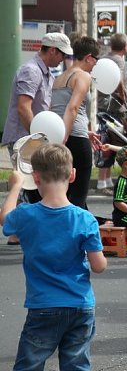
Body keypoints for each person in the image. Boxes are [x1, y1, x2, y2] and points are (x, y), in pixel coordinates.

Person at [1, 144, 107, 371]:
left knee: (28, 370)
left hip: (43, 307)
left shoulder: (26, 214)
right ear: (73, 175)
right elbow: (99, 266)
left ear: (35, 178)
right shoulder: (86, 219)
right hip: (80, 305)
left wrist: (16, 186)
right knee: (76, 370)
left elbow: (4, 218)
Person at [2, 32, 71, 245]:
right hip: (25, 138)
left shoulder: (45, 72)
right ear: (52, 50)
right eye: (62, 54)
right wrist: (37, 138)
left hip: (32, 136)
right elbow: (24, 108)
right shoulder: (31, 71)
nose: (64, 59)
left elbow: (42, 108)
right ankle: (15, 230)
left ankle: (17, 232)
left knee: (29, 185)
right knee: (25, 184)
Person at [50, 36, 102, 210]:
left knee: (64, 193)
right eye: (95, 60)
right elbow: (72, 108)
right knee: (79, 195)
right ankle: (74, 234)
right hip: (75, 139)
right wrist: (65, 138)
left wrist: (60, 138)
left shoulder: (59, 78)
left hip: (59, 135)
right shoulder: (83, 76)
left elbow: (56, 109)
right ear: (88, 57)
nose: (95, 65)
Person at [96, 33, 127, 192]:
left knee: (105, 141)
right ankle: (102, 182)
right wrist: (123, 98)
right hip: (113, 107)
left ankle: (106, 180)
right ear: (125, 47)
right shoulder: (119, 60)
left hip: (102, 104)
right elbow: (119, 81)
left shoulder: (103, 58)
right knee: (112, 142)